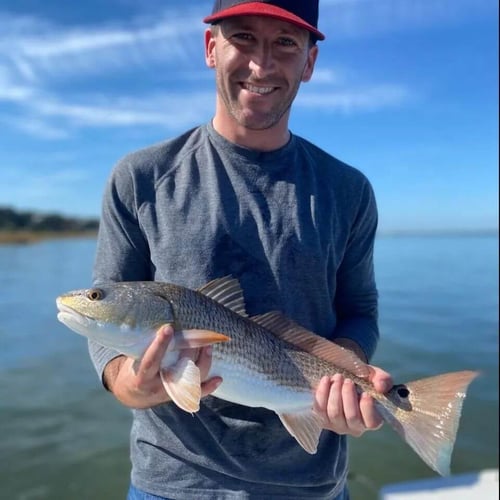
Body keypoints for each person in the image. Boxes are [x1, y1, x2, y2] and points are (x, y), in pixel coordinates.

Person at [89, 1, 393, 498]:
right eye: (244, 37)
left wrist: (347, 376)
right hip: (171, 484)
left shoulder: (347, 190)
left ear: (309, 63)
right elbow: (106, 336)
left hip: (311, 483)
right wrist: (135, 384)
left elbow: (359, 311)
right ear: (212, 48)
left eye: (286, 44)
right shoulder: (140, 178)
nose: (262, 64)